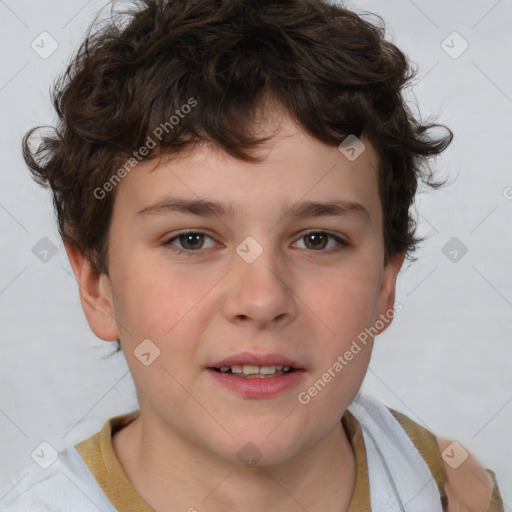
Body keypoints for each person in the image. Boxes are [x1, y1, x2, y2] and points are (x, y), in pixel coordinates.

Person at [1, 0, 503, 510]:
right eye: (191, 240)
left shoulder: (453, 491)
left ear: (384, 285)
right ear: (96, 285)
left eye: (317, 239)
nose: (262, 300)